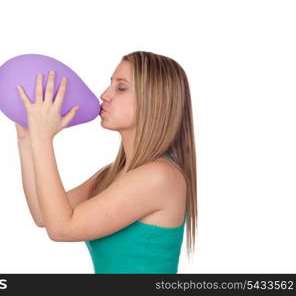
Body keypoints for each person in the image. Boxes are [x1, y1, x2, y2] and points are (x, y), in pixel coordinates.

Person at [15, 50, 197, 273]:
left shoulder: (159, 177)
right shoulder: (111, 175)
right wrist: (28, 140)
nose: (104, 94)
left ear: (154, 99)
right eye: (110, 84)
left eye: (121, 88)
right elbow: (43, 216)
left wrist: (43, 139)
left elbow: (62, 228)